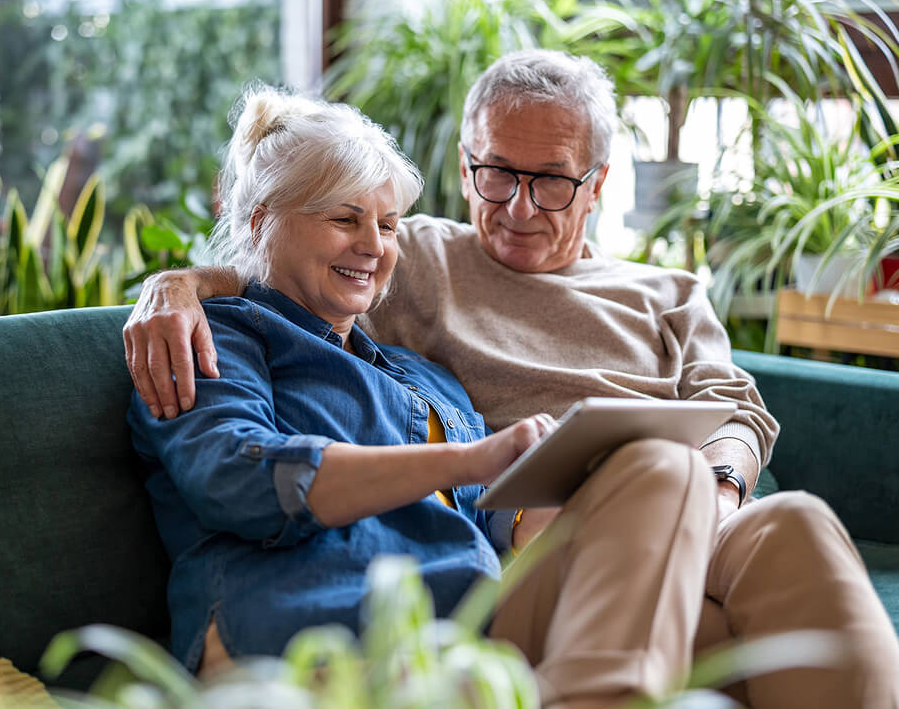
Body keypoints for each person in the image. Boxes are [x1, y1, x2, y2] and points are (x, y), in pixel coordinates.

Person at [124, 52, 899, 708]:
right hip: (548, 545)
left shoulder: (660, 295)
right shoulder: (419, 258)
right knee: (658, 471)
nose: (519, 207)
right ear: (466, 168)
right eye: (497, 174)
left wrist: (719, 494)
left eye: (552, 182)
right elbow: (279, 268)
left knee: (794, 523)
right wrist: (177, 284)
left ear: (598, 183)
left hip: (678, 516)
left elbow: (733, 409)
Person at [128, 86, 562, 684]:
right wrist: (464, 460)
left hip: (465, 640)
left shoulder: (426, 378)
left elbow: (488, 512)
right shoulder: (217, 338)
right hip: (309, 638)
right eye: (343, 219)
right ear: (260, 223)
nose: (372, 246)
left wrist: (533, 503)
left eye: (386, 225)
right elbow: (236, 476)